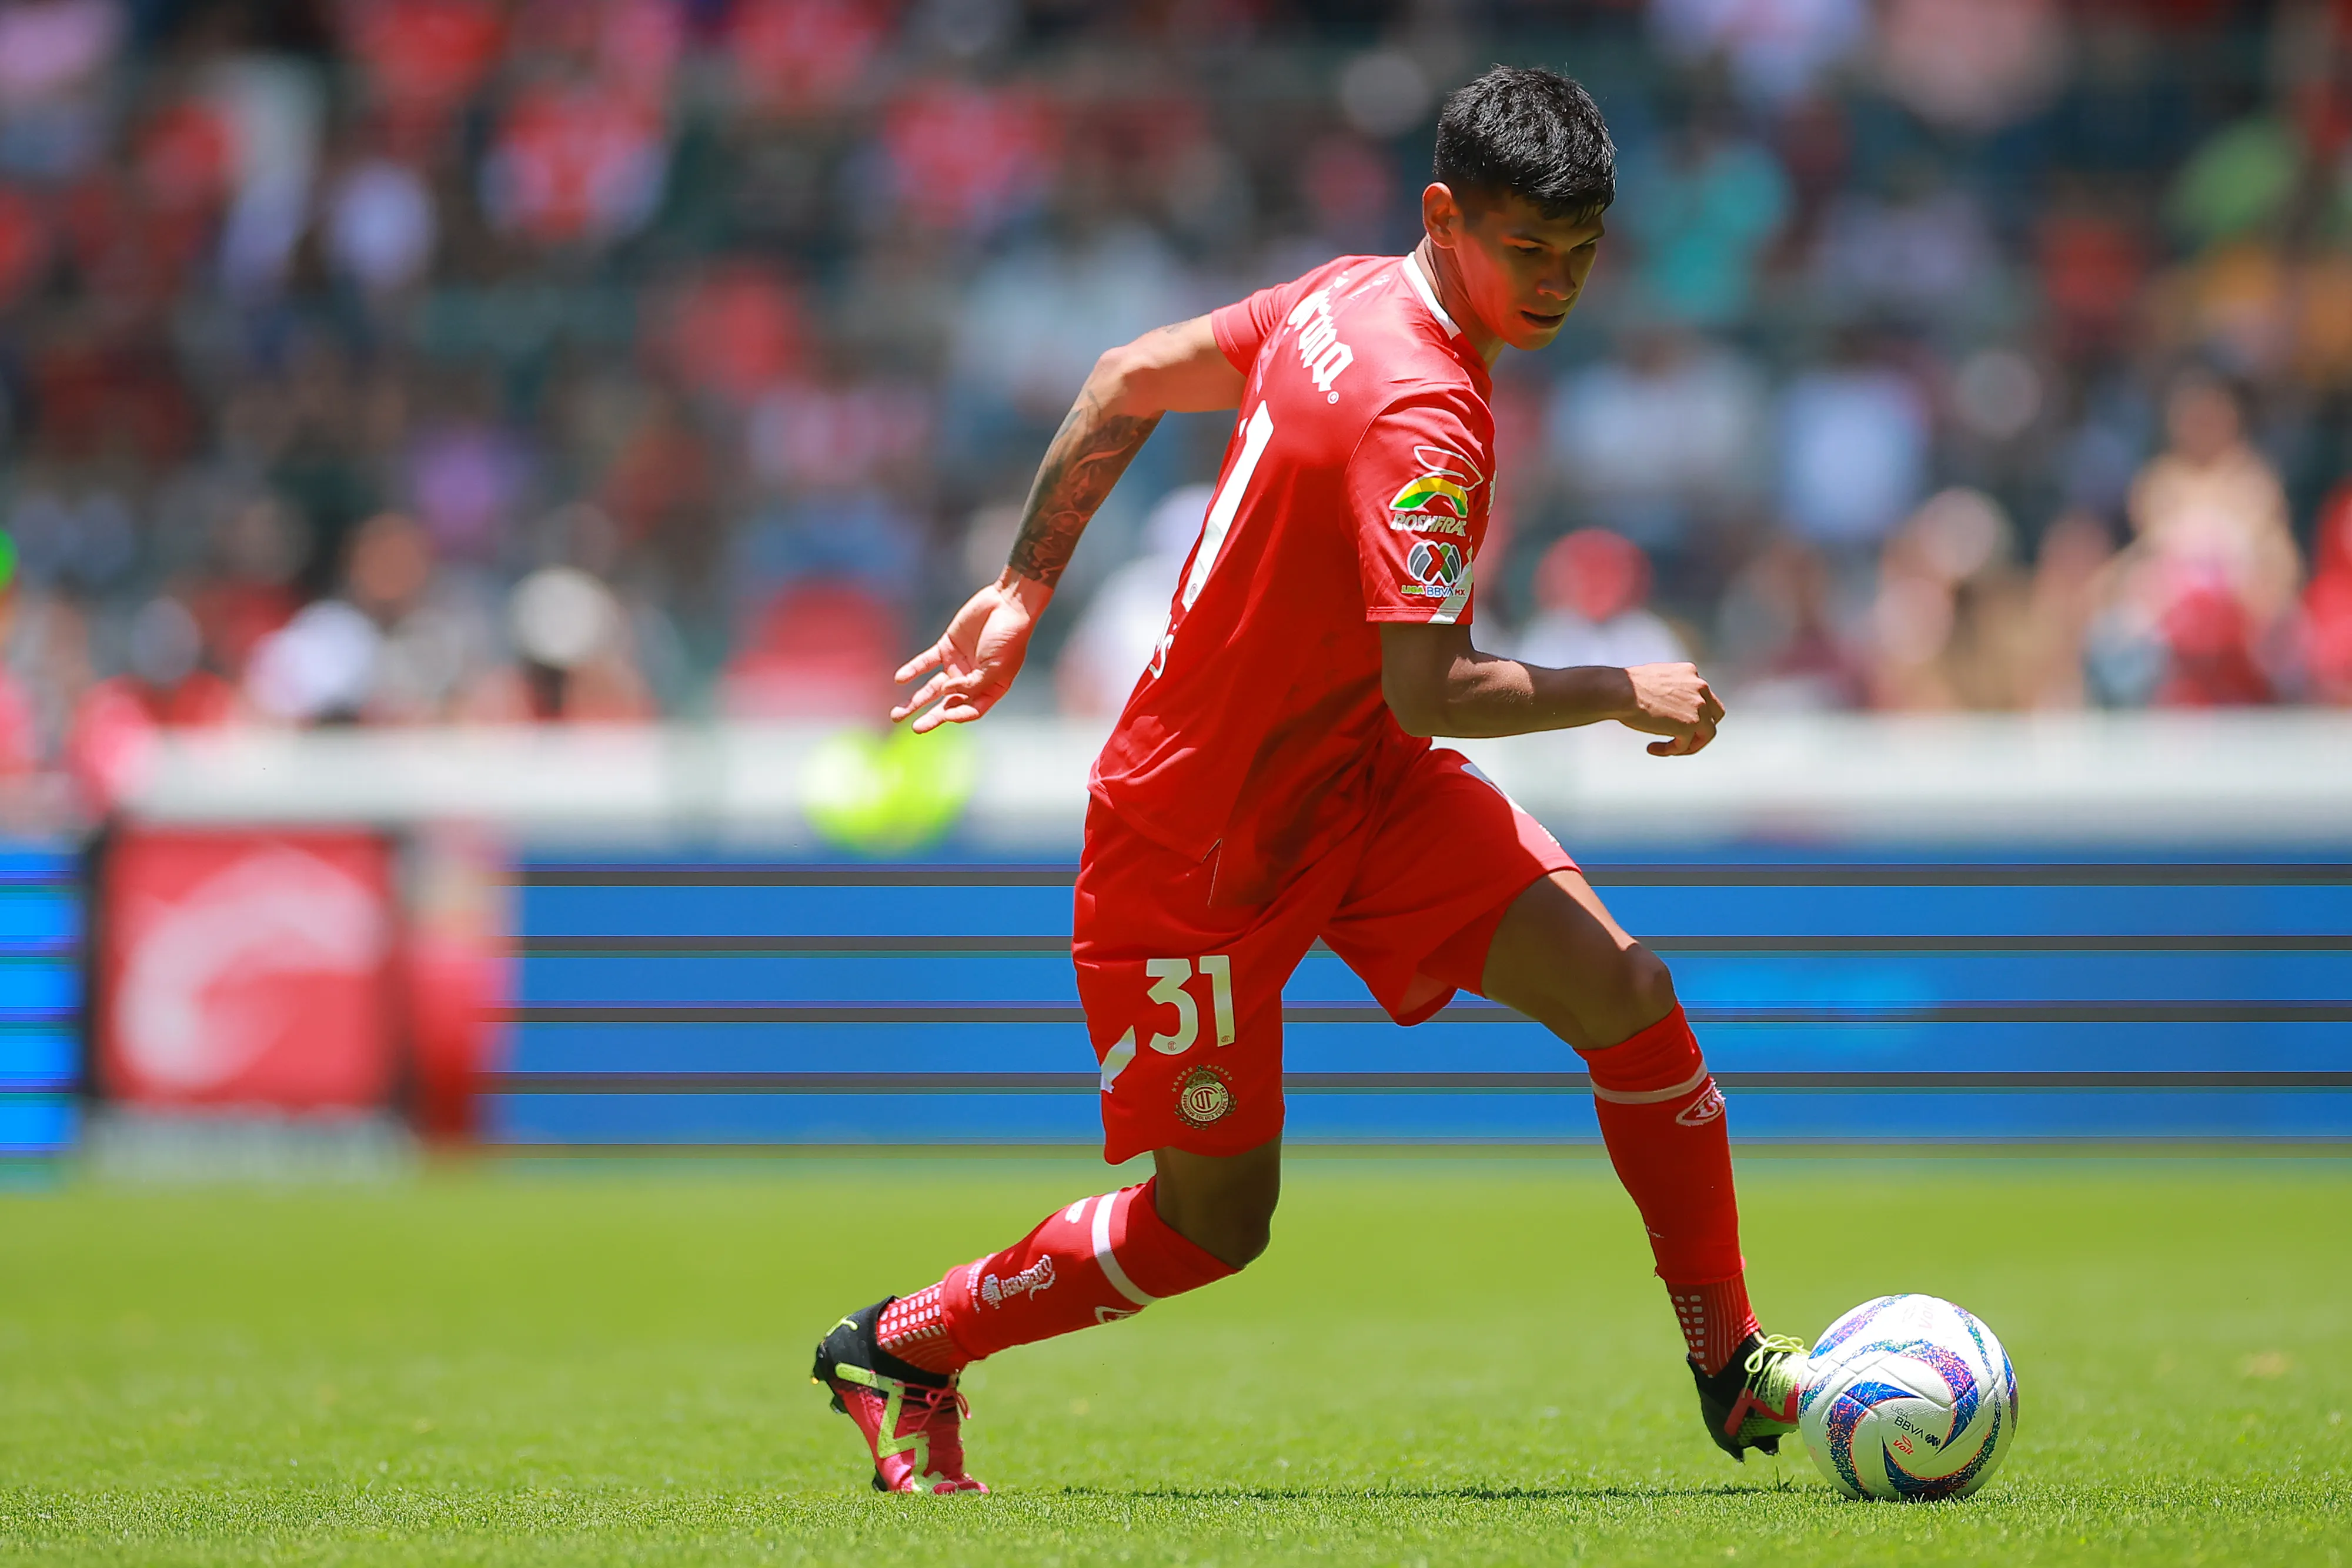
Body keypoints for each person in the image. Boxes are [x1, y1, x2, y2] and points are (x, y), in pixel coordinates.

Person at [813, 66, 1803, 1495]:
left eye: (1580, 253)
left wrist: (1023, 588)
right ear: (1443, 216)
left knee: (1629, 999)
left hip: (1359, 783)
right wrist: (1618, 687)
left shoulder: (1343, 294)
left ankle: (1728, 1360)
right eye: (1524, 248)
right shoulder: (1423, 410)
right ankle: (903, 1345)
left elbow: (1123, 377)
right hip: (1197, 839)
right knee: (1212, 1223)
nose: (1554, 283)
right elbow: (1432, 686)